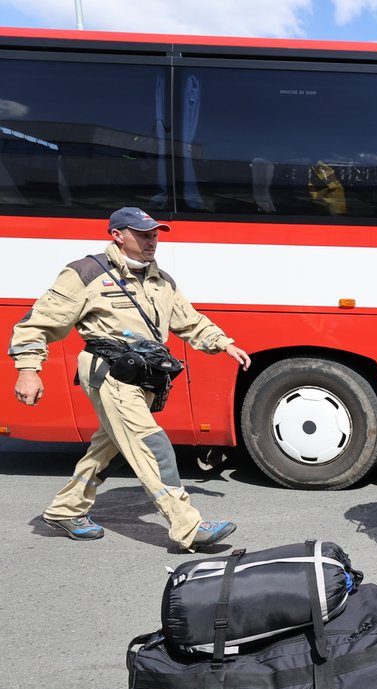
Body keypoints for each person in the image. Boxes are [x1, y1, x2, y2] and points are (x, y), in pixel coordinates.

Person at [10, 207, 252, 551]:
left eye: (154, 234)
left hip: (145, 375)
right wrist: (28, 369)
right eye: (142, 234)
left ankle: (66, 509)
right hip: (109, 371)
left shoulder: (160, 279)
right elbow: (38, 324)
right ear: (117, 235)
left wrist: (224, 344)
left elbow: (189, 320)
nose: (151, 240)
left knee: (108, 447)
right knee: (152, 445)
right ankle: (188, 525)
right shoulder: (85, 272)